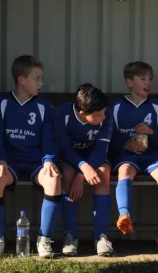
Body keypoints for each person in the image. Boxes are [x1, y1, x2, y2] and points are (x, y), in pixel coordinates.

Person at [0, 55, 61, 258]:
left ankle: (44, 240)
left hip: (36, 162)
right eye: (37, 78)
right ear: (21, 79)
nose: (41, 83)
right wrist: (0, 159)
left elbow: (49, 138)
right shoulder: (2, 103)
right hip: (10, 163)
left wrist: (49, 160)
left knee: (53, 179)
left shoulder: (43, 106)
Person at [109, 62, 158, 255]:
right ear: (129, 82)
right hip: (128, 156)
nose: (148, 83)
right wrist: (125, 143)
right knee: (124, 171)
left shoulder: (157, 107)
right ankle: (124, 215)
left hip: (153, 155)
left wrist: (152, 133)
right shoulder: (117, 107)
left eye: (150, 79)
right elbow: (108, 139)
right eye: (142, 79)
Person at [55, 84, 115, 257]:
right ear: (82, 114)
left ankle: (101, 236)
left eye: (104, 112)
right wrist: (82, 167)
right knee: (66, 174)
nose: (103, 117)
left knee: (103, 172)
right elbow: (65, 149)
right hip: (70, 159)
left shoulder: (106, 113)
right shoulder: (63, 114)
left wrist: (82, 175)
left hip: (94, 159)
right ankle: (70, 235)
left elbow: (101, 149)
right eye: (98, 115)